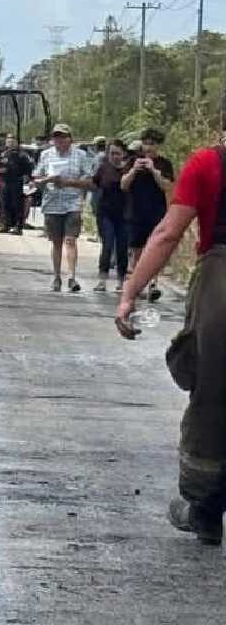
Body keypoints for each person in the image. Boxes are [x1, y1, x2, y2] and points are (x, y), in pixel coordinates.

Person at [115, 135, 226, 545]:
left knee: (213, 394)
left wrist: (130, 292)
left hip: (221, 282)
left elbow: (168, 233)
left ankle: (205, 509)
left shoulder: (209, 164)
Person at [33, 123, 96, 292]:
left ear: (70, 138)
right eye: (56, 137)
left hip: (72, 203)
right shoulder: (46, 155)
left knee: (70, 240)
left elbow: (90, 182)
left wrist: (68, 182)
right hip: (52, 203)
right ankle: (56, 277)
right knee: (56, 242)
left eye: (62, 137)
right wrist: (46, 180)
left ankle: (72, 277)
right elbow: (36, 178)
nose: (59, 140)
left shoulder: (81, 155)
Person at [122, 127, 175, 301]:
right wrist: (133, 171)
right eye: (145, 144)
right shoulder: (132, 161)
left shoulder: (164, 164)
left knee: (154, 250)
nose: (148, 148)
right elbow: (123, 185)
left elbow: (168, 186)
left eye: (152, 144)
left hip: (156, 213)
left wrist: (154, 171)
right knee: (136, 251)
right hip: (135, 213)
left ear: (158, 146)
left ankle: (153, 284)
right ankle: (135, 285)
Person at [91, 142, 129, 292]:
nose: (114, 157)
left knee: (122, 248)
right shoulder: (104, 168)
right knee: (107, 245)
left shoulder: (129, 169)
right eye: (112, 153)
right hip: (105, 212)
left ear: (123, 154)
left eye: (117, 153)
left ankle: (121, 281)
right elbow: (93, 185)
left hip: (124, 214)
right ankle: (102, 280)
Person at [0, 135, 33, 234]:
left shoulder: (22, 155)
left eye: (12, 141)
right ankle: (5, 225)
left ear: (17, 143)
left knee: (17, 205)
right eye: (8, 141)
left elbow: (29, 168)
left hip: (17, 182)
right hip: (4, 182)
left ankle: (18, 226)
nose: (10, 143)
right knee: (4, 204)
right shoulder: (3, 154)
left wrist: (27, 178)